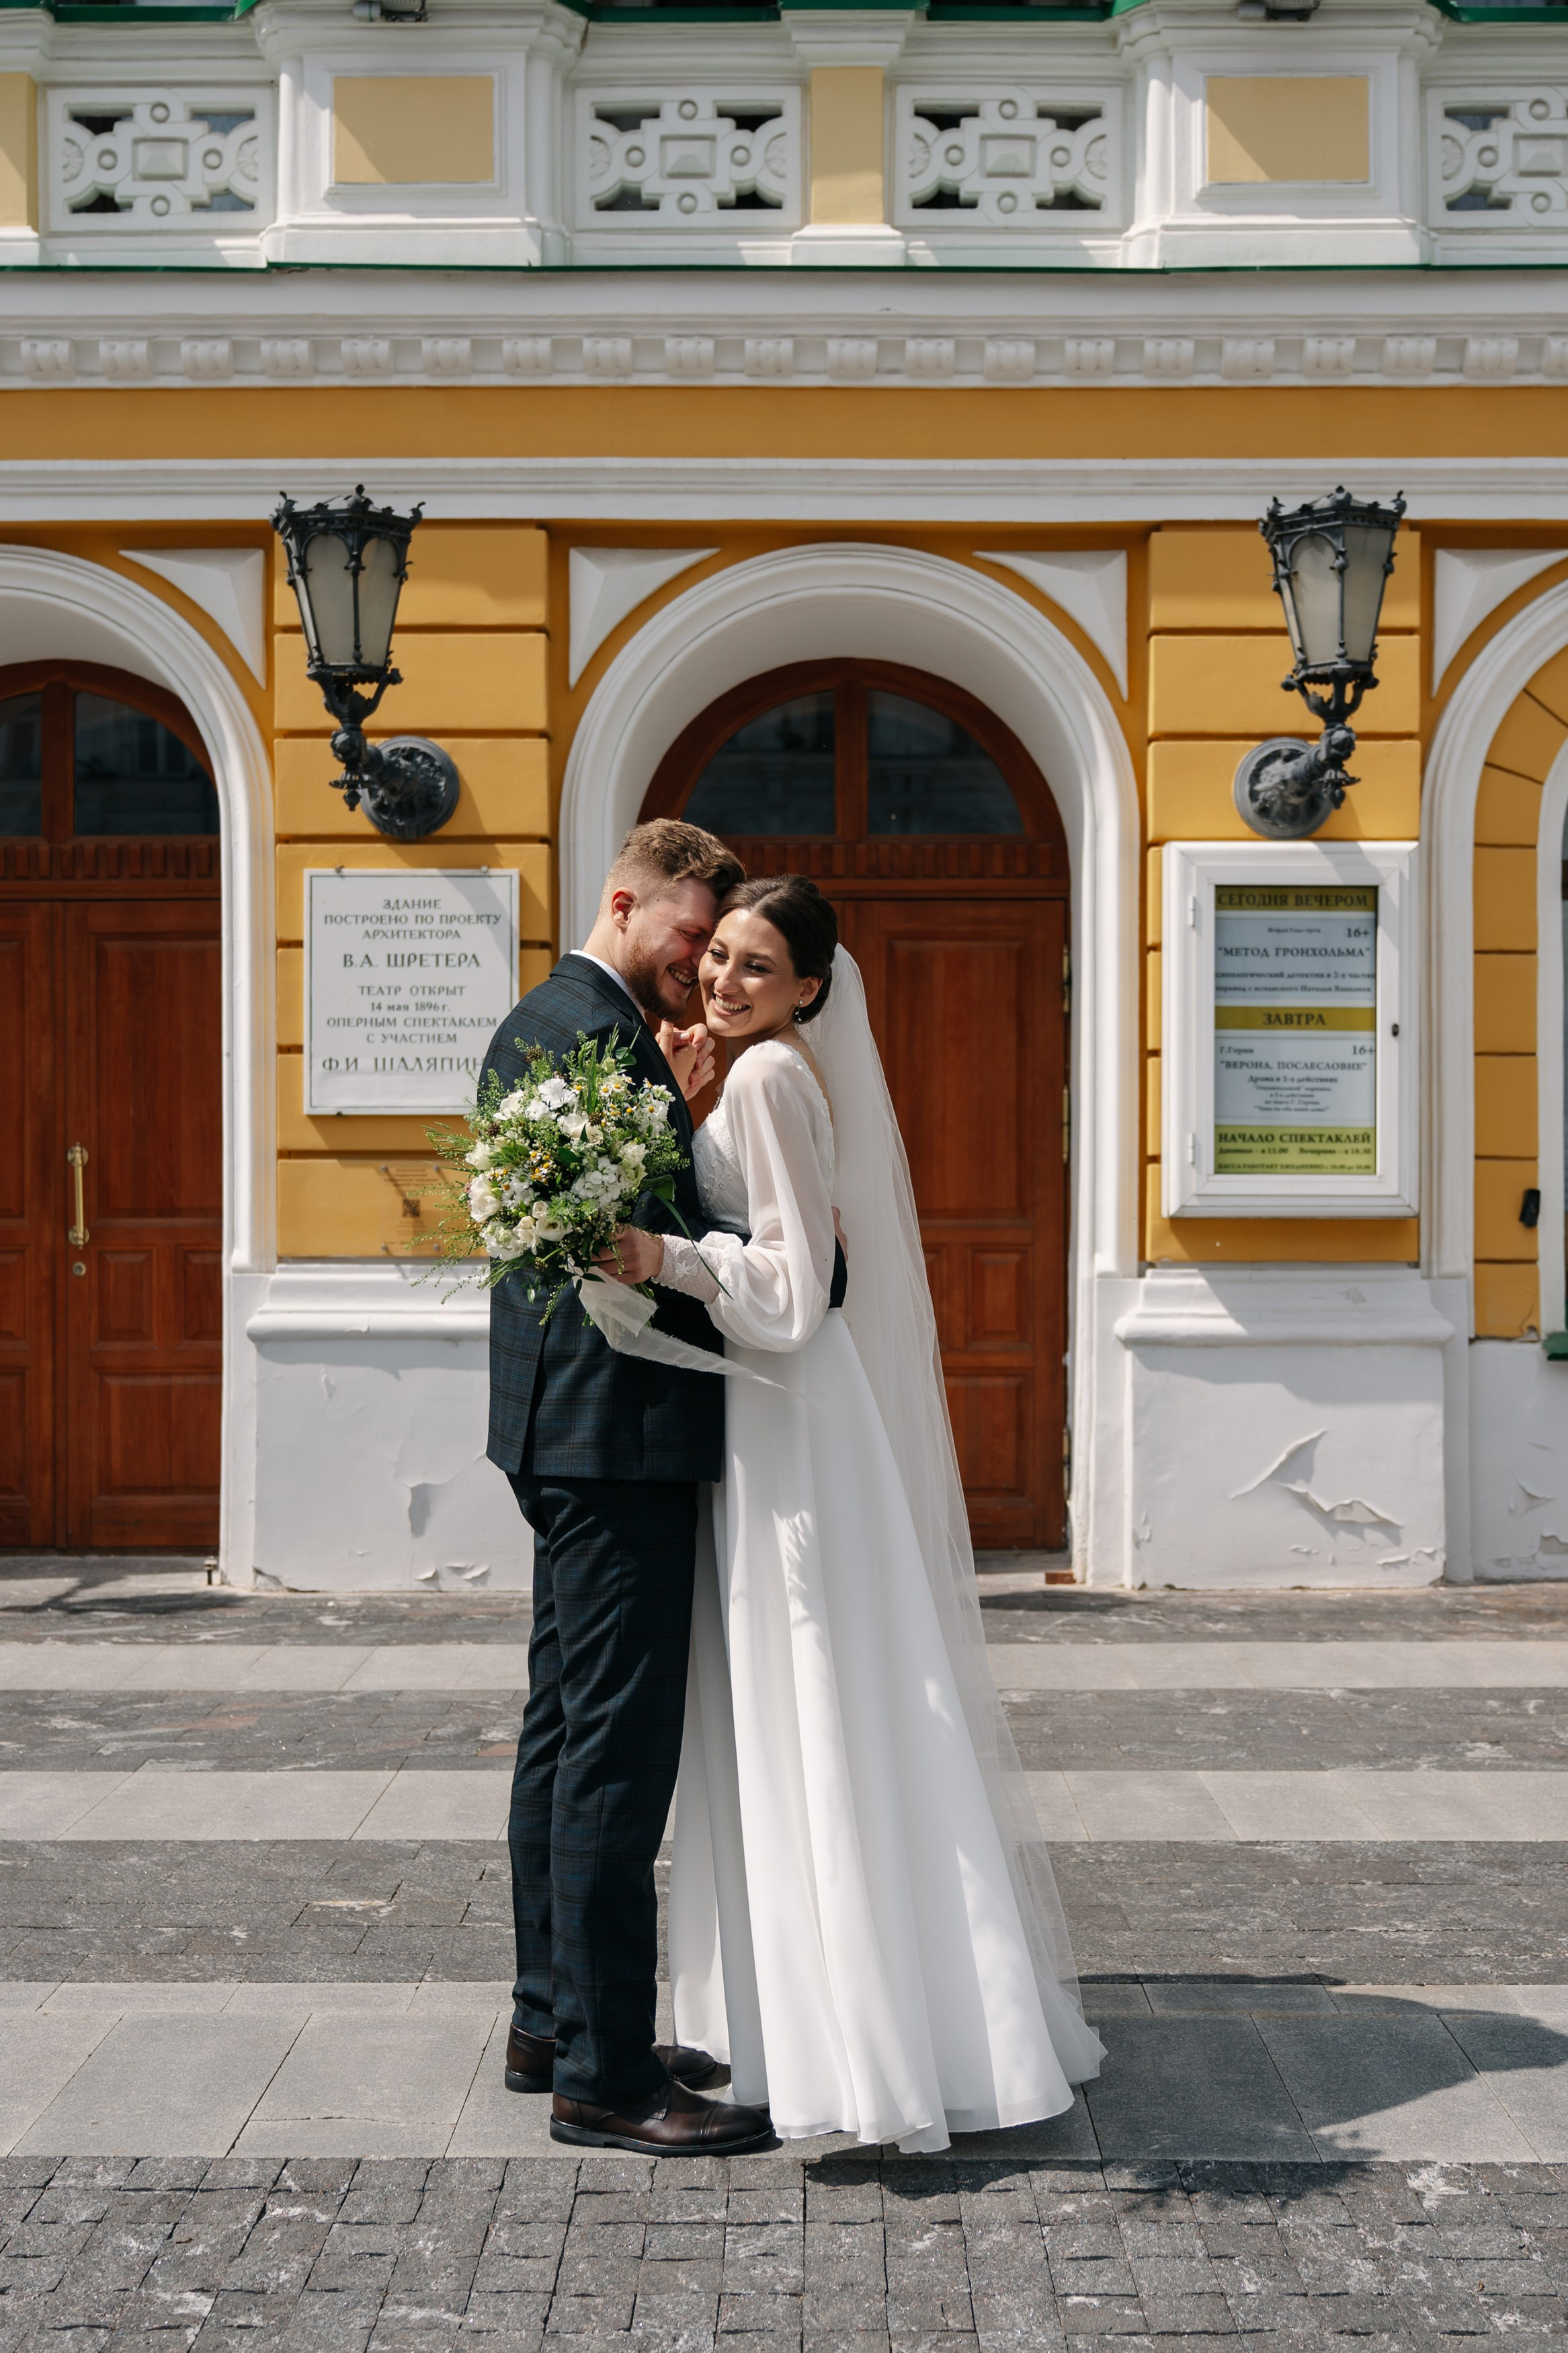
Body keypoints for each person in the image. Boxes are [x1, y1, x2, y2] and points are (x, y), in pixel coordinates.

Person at [602, 874, 1105, 2152]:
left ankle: (855, 2047)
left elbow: (790, 1287)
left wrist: (664, 1257)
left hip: (786, 1407)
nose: (723, 982)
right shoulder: (759, 1068)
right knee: (836, 1704)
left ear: (809, 990)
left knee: (810, 1699)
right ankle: (876, 2020)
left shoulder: (769, 1077)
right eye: (716, 955)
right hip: (790, 1412)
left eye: (756, 967)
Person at [479, 817, 774, 2157]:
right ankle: (605, 2072)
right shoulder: (582, 1034)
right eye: (688, 934)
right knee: (615, 1748)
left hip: (572, 1429)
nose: (698, 963)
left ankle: (553, 2017)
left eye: (717, 945)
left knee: (562, 1729)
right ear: (624, 900)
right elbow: (621, 1240)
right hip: (614, 1431)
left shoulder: (563, 1025)